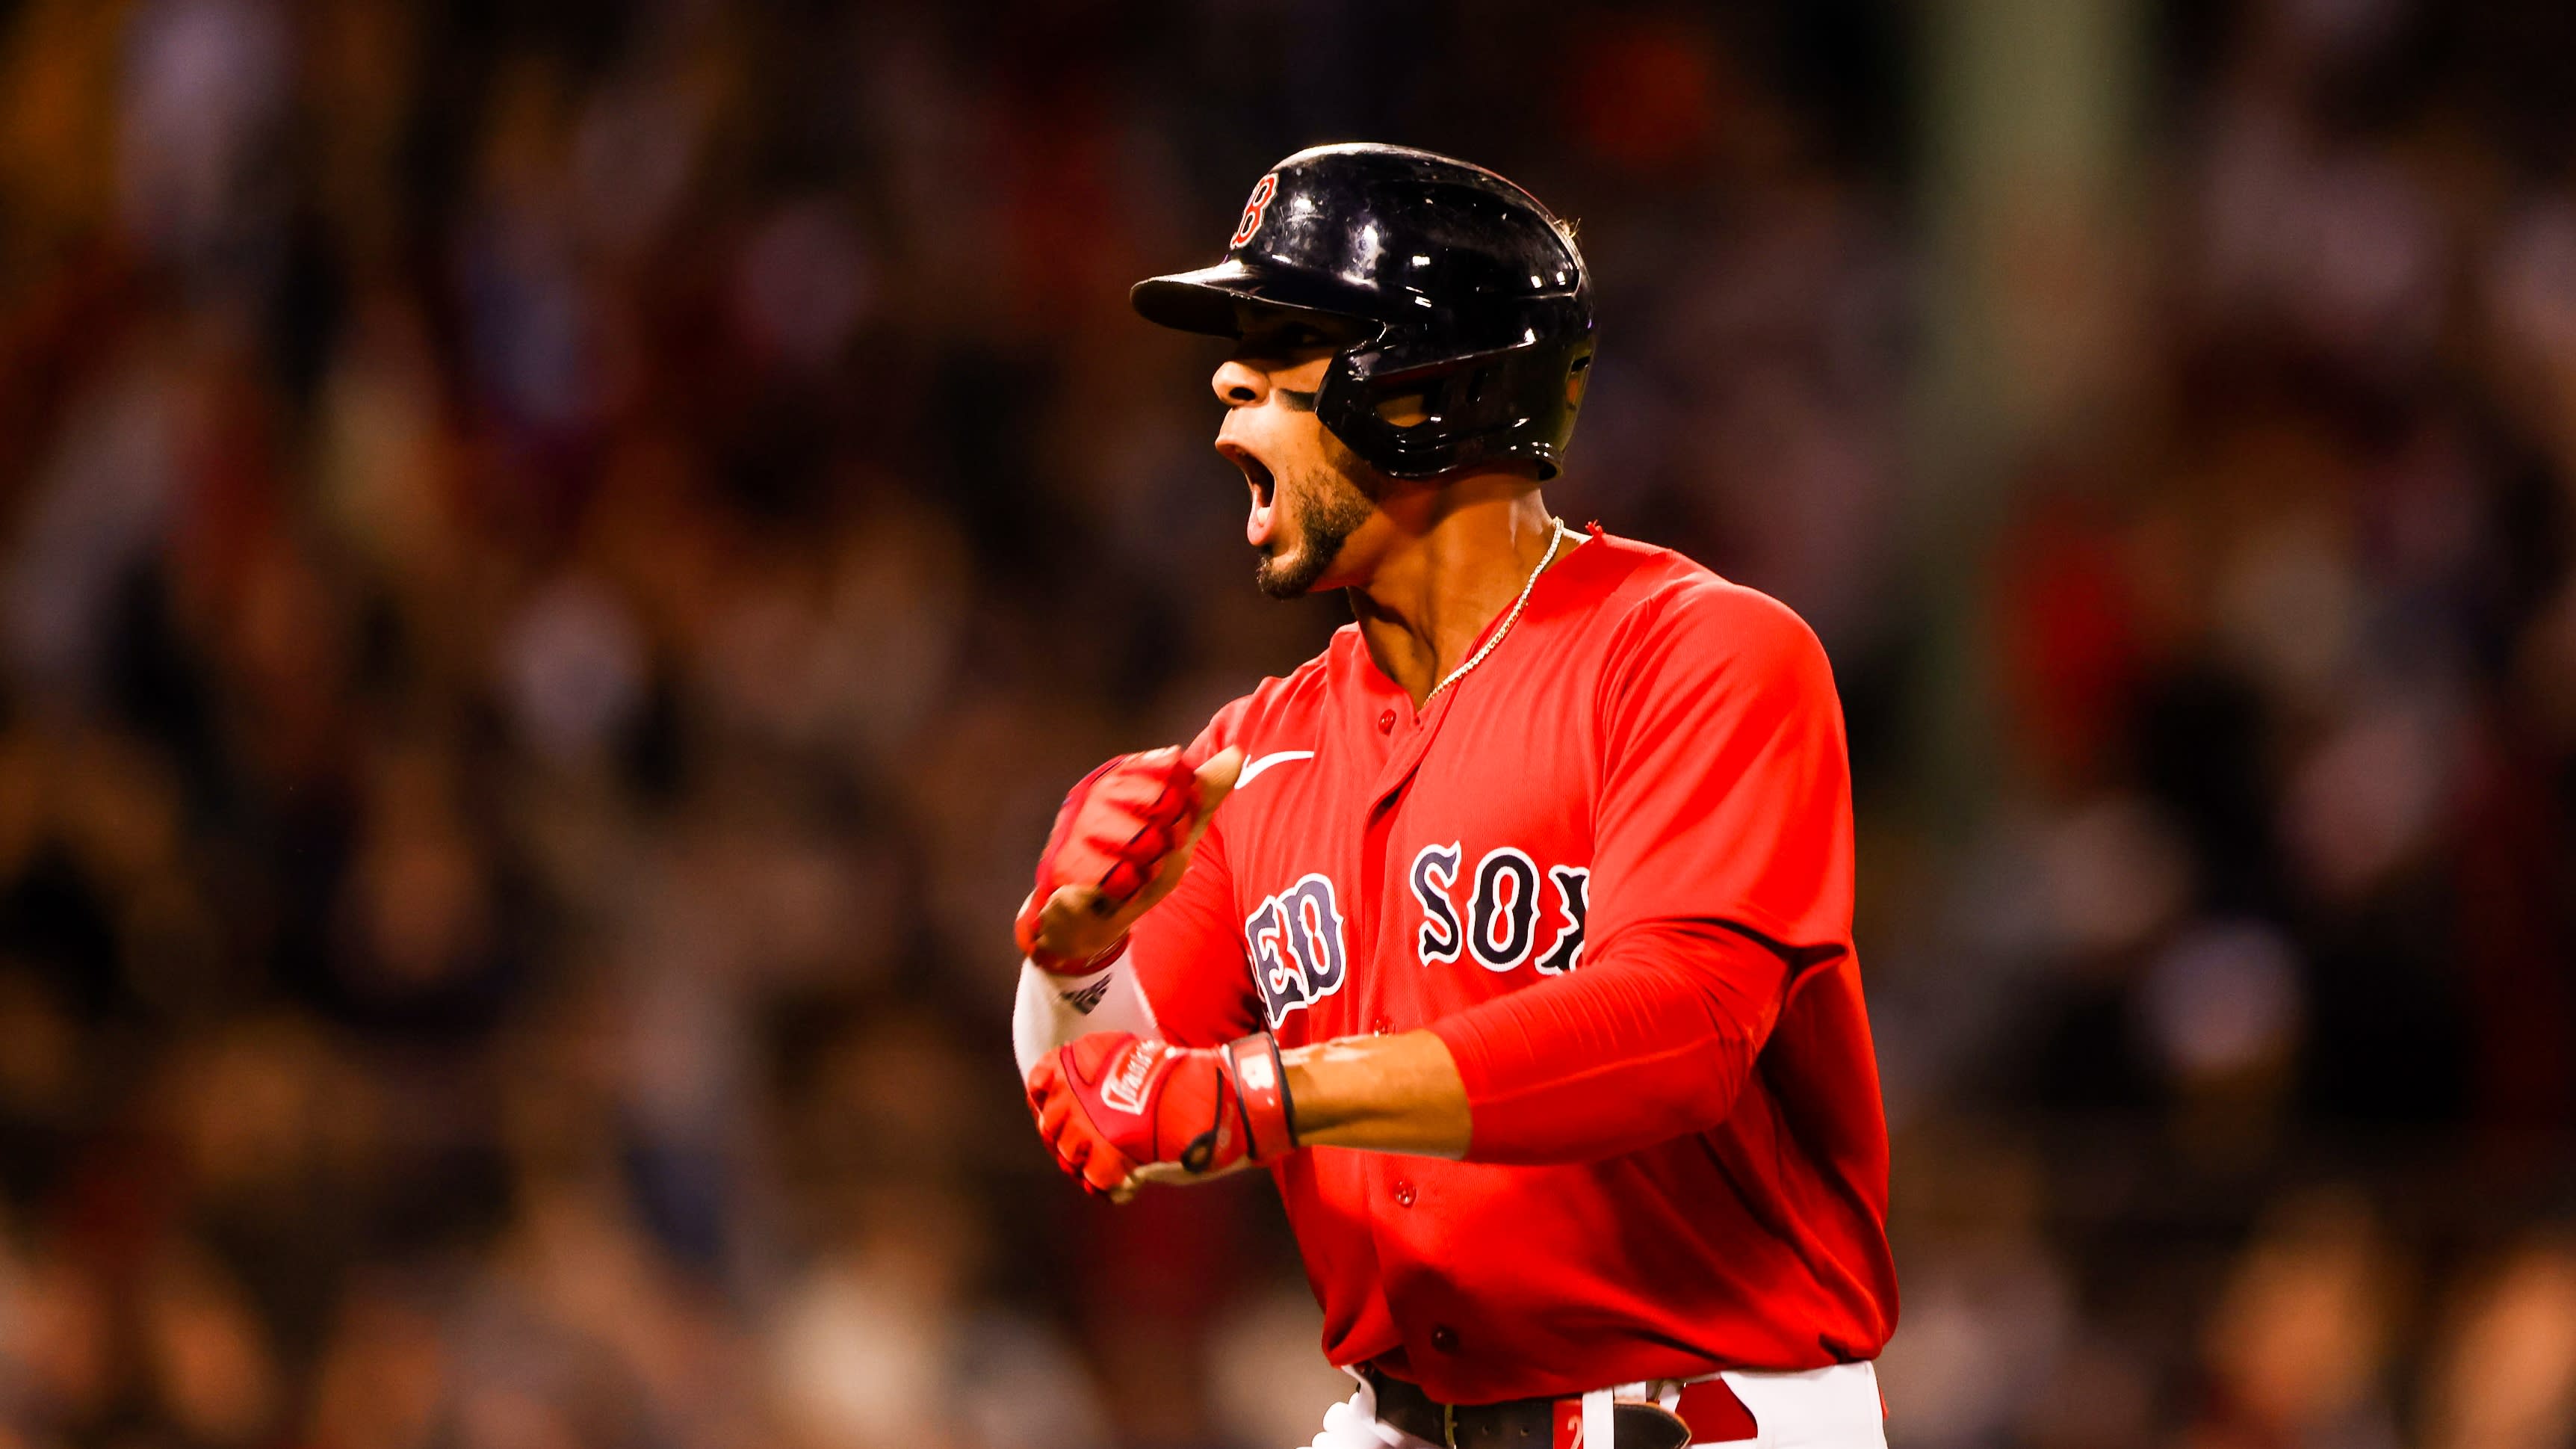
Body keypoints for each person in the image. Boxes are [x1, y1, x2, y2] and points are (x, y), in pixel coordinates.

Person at [1011, 143, 1897, 1449]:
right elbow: (1113, 1113)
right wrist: (1074, 960)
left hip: (1699, 1419)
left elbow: (1684, 1029)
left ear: (1430, 391)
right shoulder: (1255, 753)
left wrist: (1277, 1093)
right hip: (1395, 1424)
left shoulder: (1700, 654)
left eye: (1285, 341)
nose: (1224, 388)